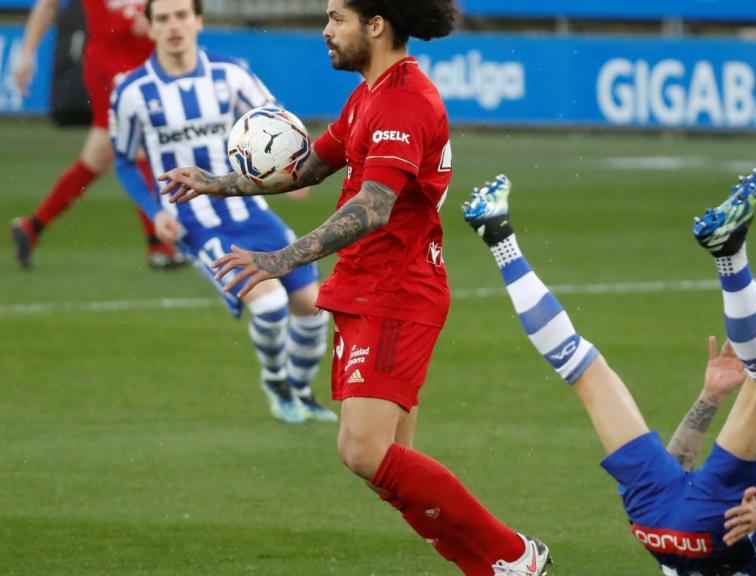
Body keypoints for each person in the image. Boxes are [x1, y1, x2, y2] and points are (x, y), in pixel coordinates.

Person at [158, 1, 550, 574]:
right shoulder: (372, 94)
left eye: (337, 17)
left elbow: (373, 207)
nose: (325, 31)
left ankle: (514, 556)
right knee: (391, 464)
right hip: (366, 287)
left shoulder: (404, 102)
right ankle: (493, 565)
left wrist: (281, 258)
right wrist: (217, 185)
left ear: (377, 25)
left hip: (398, 290)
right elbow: (312, 167)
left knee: (363, 452)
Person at [462, 170, 756, 575]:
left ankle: (730, 254)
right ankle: (500, 238)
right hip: (659, 520)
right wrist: (709, 398)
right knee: (583, 368)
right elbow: (677, 477)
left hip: (719, 532)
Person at [110, 0, 335, 424]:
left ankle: (303, 392)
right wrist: (153, 210)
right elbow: (123, 159)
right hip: (195, 224)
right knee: (268, 305)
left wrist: (297, 168)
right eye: (163, 18)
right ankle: (276, 384)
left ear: (198, 20)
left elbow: (275, 121)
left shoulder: (230, 74)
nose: (174, 25)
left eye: (181, 15)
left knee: (313, 304)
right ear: (150, 26)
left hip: (252, 210)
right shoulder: (132, 92)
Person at [9, 0, 185, 269]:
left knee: (97, 156)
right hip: (110, 61)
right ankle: (158, 244)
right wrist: (27, 53)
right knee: (140, 141)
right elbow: (47, 5)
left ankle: (31, 227)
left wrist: (158, 11)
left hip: (147, 59)